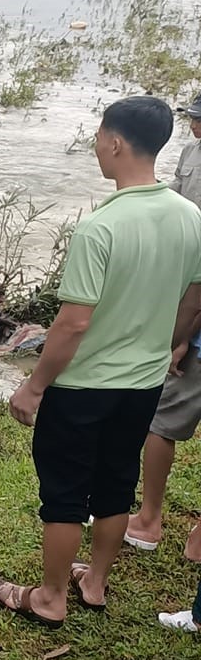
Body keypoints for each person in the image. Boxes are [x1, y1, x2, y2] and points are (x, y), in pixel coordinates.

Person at [0, 96, 201, 627]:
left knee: (63, 494)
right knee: (115, 483)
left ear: (115, 143)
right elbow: (194, 299)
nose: (95, 147)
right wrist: (168, 345)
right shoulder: (189, 217)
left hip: (84, 386)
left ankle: (50, 596)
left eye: (98, 137)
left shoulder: (100, 228)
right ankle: (97, 583)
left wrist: (35, 385)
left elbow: (73, 323)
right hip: (145, 383)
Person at [127, 94, 201, 556]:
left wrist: (181, 339)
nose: (194, 128)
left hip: (195, 324)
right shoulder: (192, 152)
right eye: (193, 120)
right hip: (187, 292)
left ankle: (150, 520)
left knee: (163, 421)